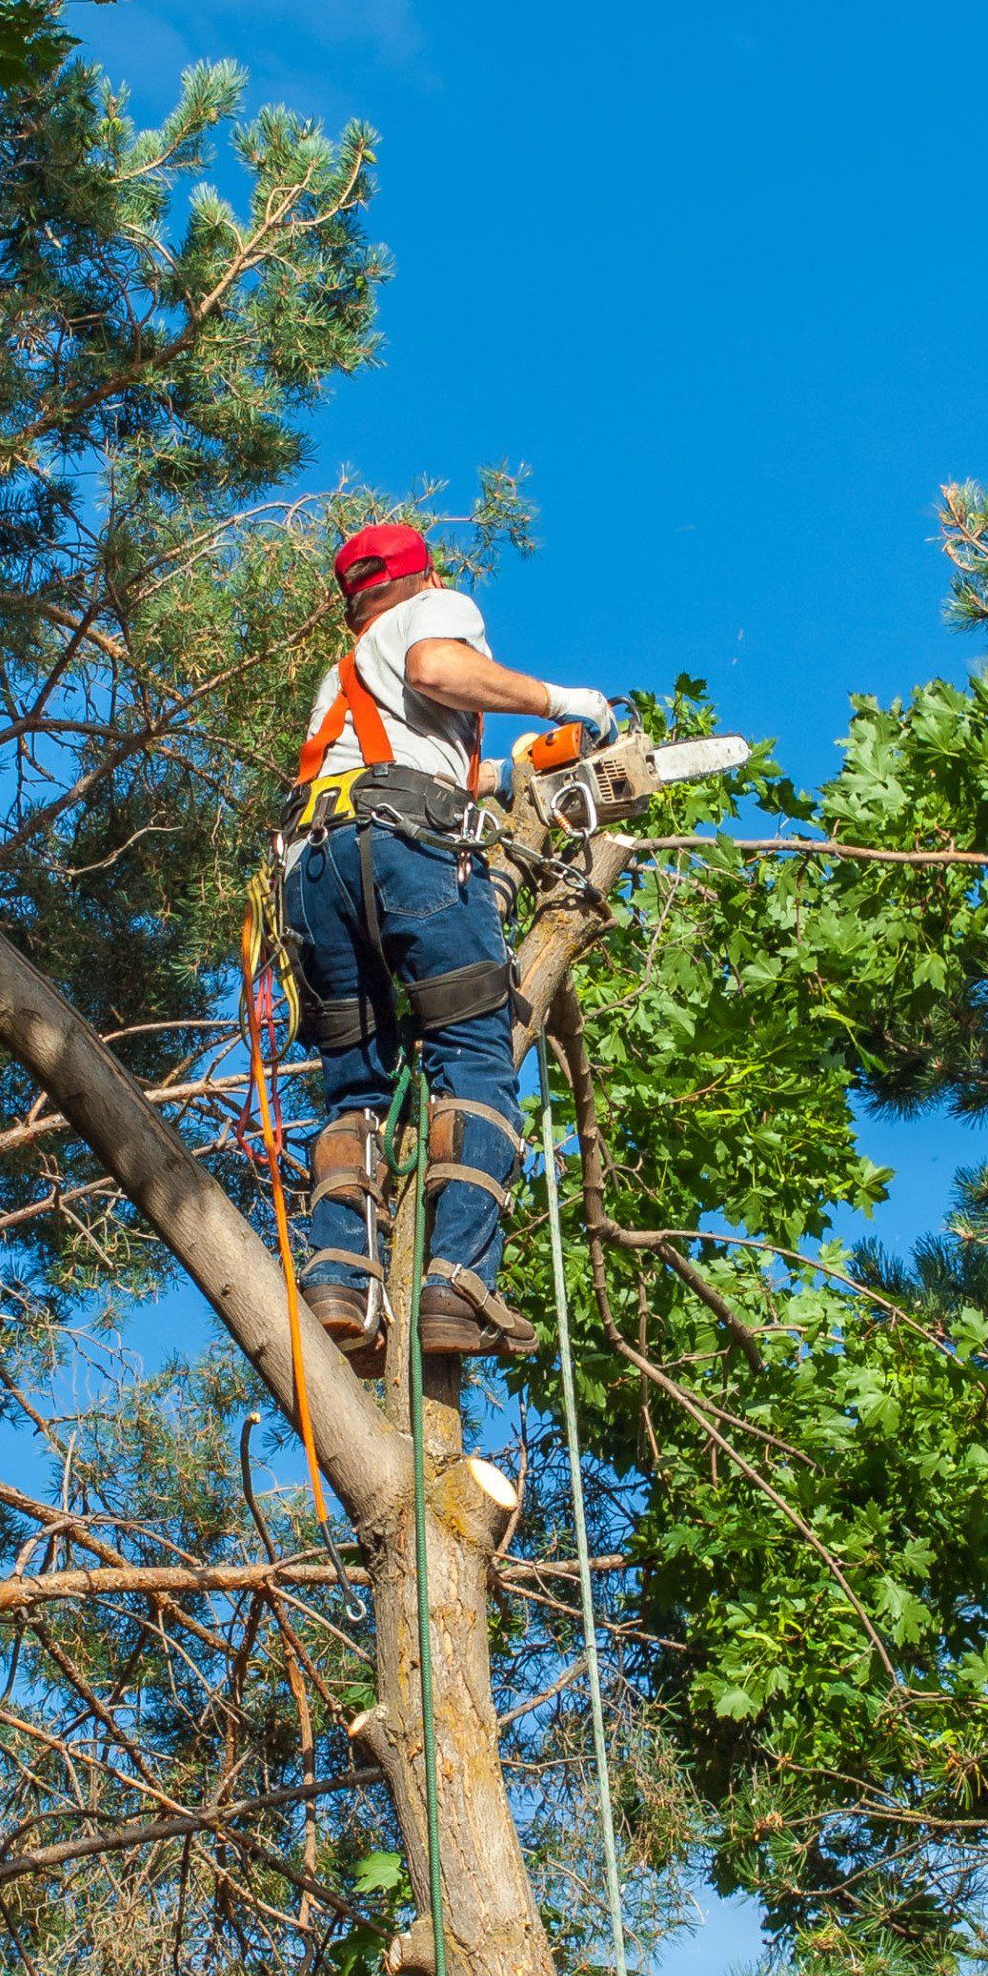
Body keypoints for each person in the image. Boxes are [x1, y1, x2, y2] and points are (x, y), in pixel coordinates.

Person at [280, 520, 614, 1361]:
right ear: (424, 579)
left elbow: (403, 753)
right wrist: (561, 701)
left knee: (356, 1087)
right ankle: (454, 1287)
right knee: (474, 1056)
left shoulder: (347, 672)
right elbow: (436, 669)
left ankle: (341, 1282)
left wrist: (511, 773)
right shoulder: (432, 612)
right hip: (408, 848)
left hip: (313, 868)